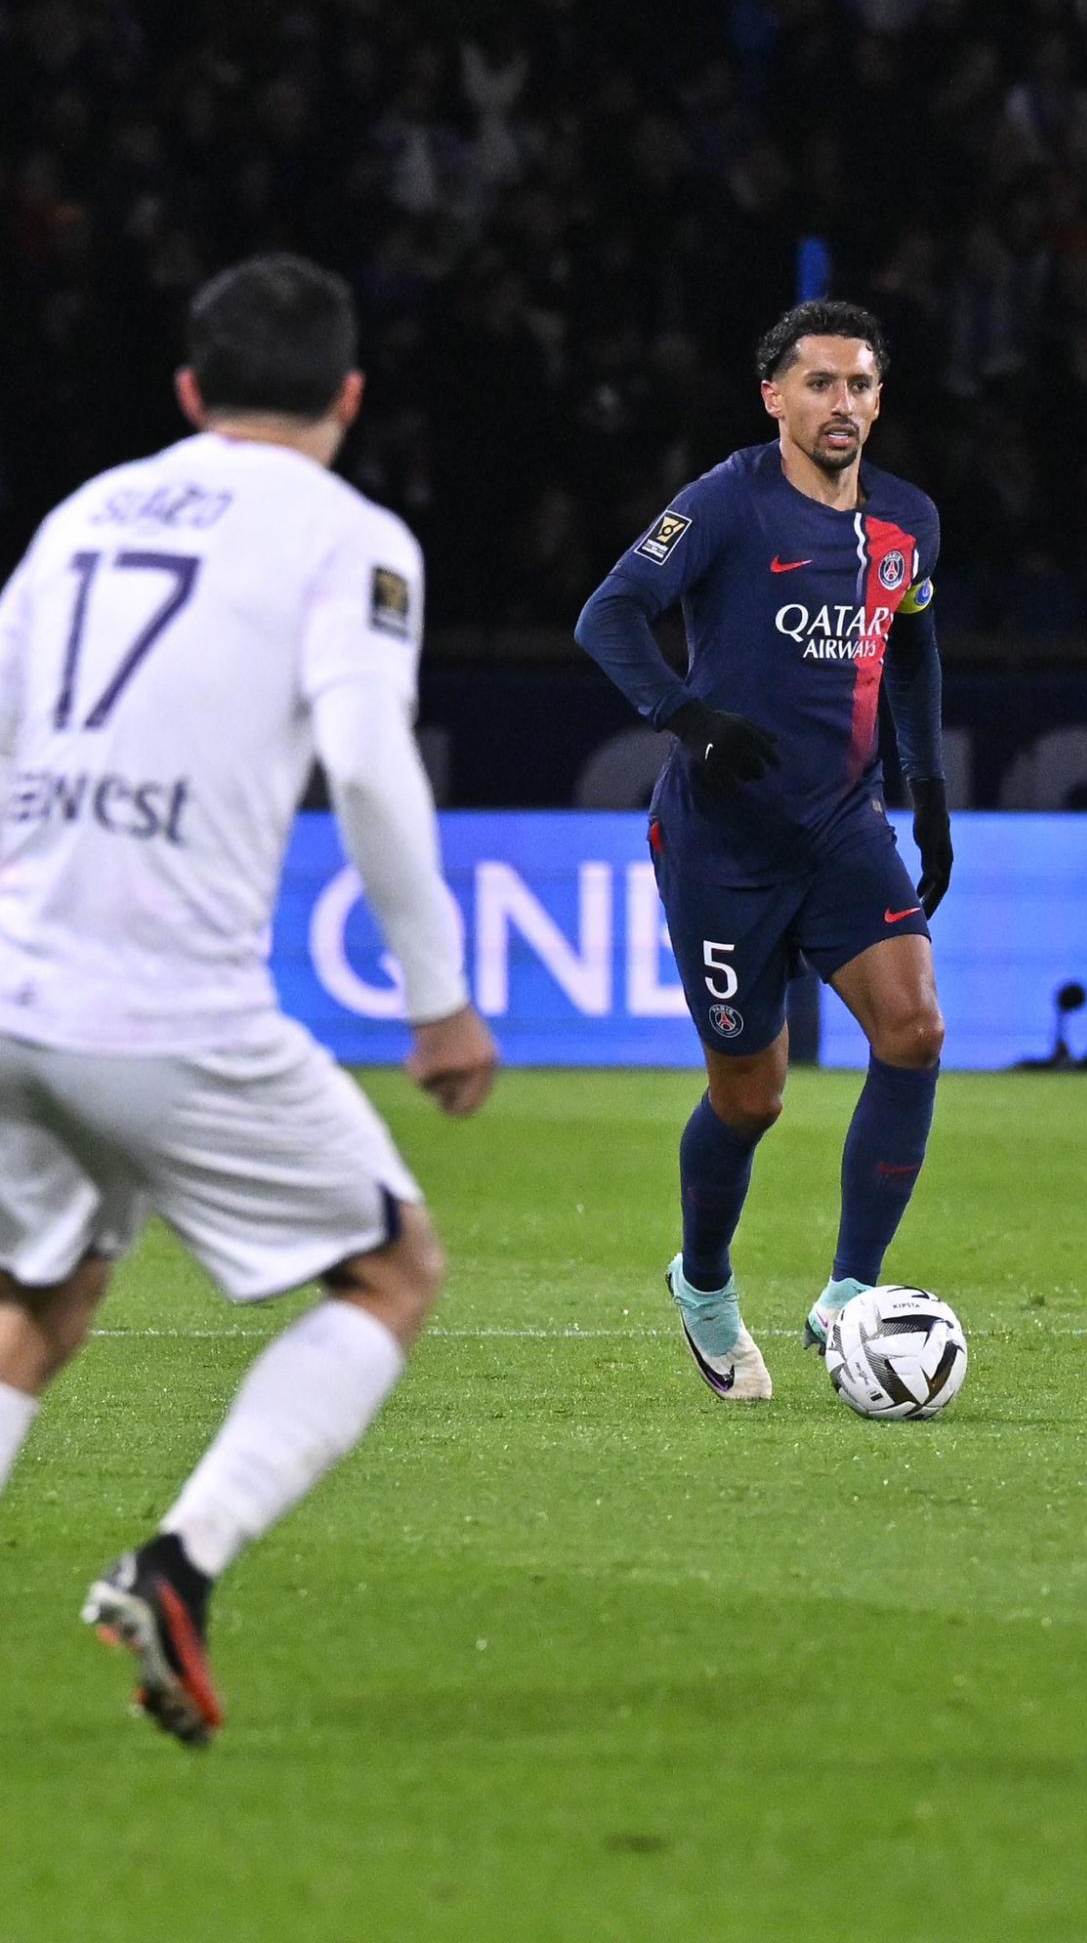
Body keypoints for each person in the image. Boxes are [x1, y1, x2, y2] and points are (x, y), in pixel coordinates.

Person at [0, 254, 498, 1744]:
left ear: (187, 392)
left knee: (33, 1303)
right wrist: (438, 998)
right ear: (349, 397)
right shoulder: (350, 539)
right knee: (393, 1272)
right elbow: (366, 762)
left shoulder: (79, 518)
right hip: (164, 1007)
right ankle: (179, 1564)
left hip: (12, 980)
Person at [575, 299, 949, 1402]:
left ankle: (849, 1298)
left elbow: (915, 642)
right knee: (752, 1097)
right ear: (773, 395)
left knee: (915, 1028)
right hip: (721, 843)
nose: (844, 405)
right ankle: (701, 1281)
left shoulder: (908, 521)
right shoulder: (725, 504)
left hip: (841, 825)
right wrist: (690, 719)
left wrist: (923, 788)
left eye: (863, 385)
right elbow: (608, 615)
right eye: (822, 384)